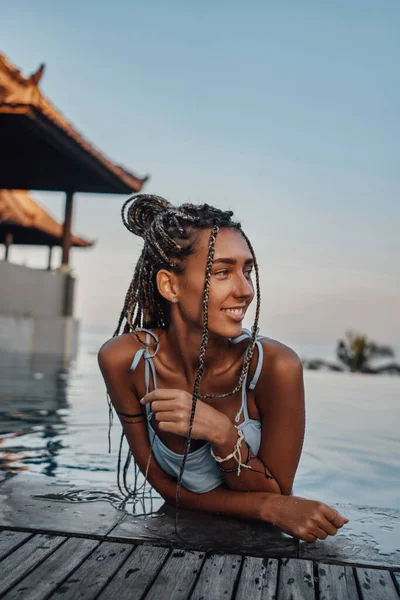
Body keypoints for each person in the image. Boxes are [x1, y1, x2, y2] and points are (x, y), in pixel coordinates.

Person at [98, 194, 349, 543]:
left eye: (247, 271)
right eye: (222, 272)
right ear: (170, 285)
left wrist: (223, 434)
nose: (245, 290)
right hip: (171, 545)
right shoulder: (124, 361)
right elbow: (163, 486)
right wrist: (269, 508)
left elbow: (279, 488)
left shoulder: (275, 366)